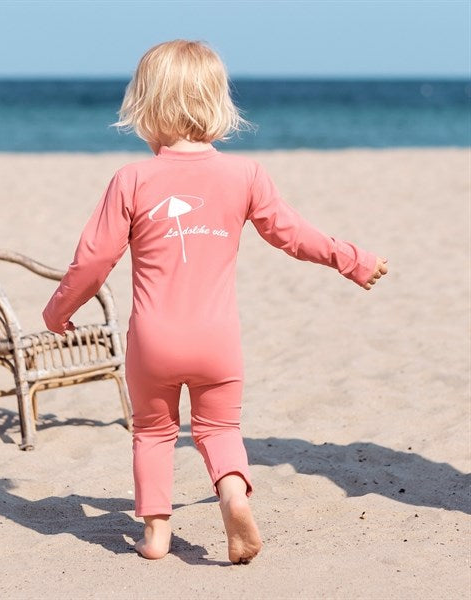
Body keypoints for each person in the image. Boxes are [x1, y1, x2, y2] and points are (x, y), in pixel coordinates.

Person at [42, 39, 388, 564]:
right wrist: (353, 259)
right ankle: (231, 494)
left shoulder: (131, 179)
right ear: (217, 102)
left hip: (153, 341)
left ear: (146, 106)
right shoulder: (245, 174)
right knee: (220, 428)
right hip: (218, 340)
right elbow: (293, 235)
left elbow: (93, 259)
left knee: (153, 431)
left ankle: (156, 533)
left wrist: (59, 310)